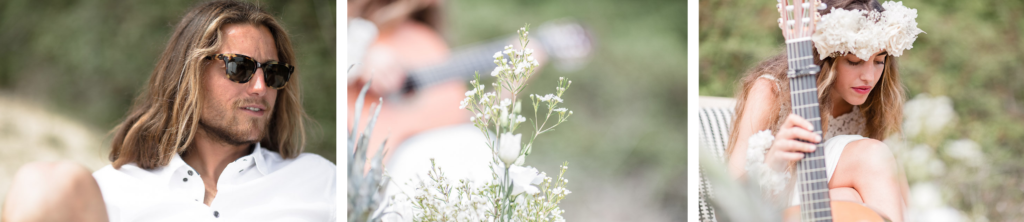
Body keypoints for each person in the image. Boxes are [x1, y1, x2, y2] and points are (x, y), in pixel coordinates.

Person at [2, 1, 335, 221]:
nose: (261, 87)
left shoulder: (321, 183)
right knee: (46, 183)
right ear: (189, 73)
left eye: (274, 73)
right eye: (240, 68)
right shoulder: (110, 194)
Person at [724, 0, 923, 221]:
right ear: (824, 59)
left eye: (879, 60)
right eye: (854, 61)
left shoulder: (876, 102)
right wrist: (776, 158)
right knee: (871, 155)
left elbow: (901, 197)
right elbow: (728, 196)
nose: (869, 76)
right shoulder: (771, 91)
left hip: (818, 208)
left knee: (848, 198)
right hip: (770, 203)